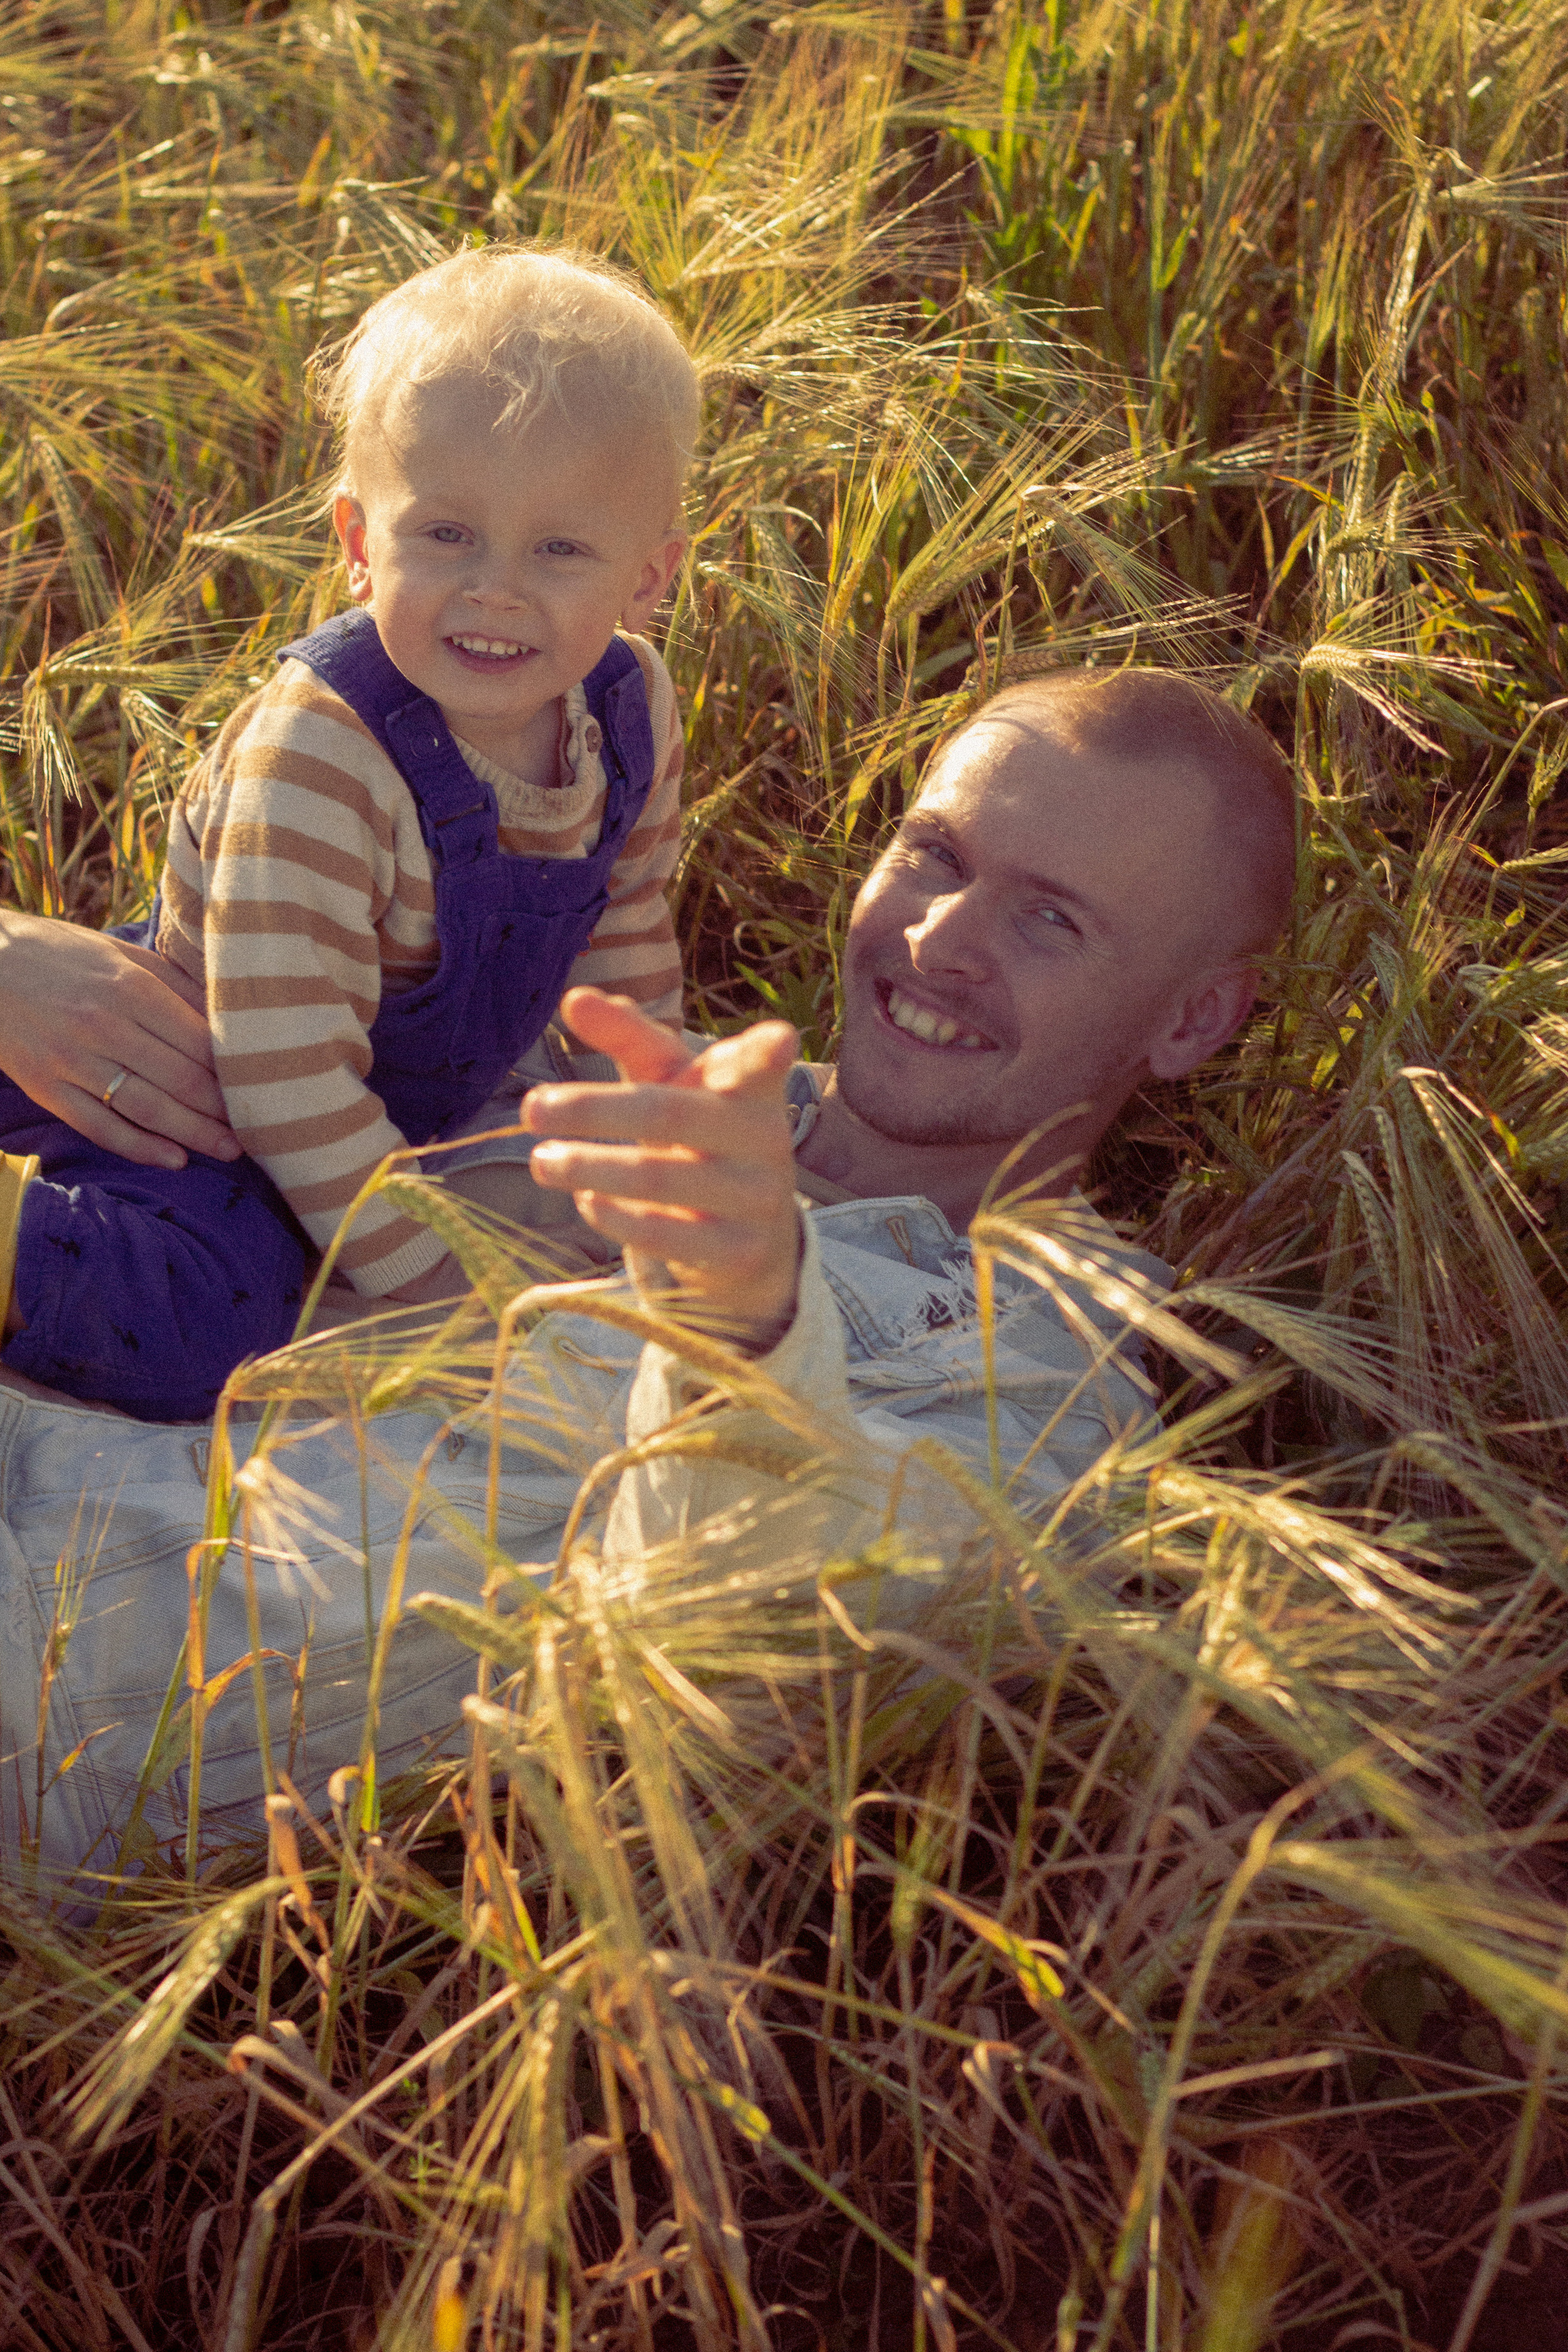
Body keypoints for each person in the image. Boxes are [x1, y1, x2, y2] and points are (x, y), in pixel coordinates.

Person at [0, 668, 1295, 1891]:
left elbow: (753, 1656)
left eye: (1049, 920)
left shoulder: (1056, 1387)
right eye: (934, 854)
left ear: (1188, 1021)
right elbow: (229, 998)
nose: (940, 936)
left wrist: (738, 1319)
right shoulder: (598, 1053)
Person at [0, 244, 696, 1421]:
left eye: (561, 549)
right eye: (446, 535)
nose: (495, 590)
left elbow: (624, 927)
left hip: (335, 1079)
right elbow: (287, 1082)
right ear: (361, 541)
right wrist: (442, 1287)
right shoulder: (323, 763)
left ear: (649, 576)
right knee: (202, 1323)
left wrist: (666, 1136)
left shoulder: (630, 707)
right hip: (186, 1088)